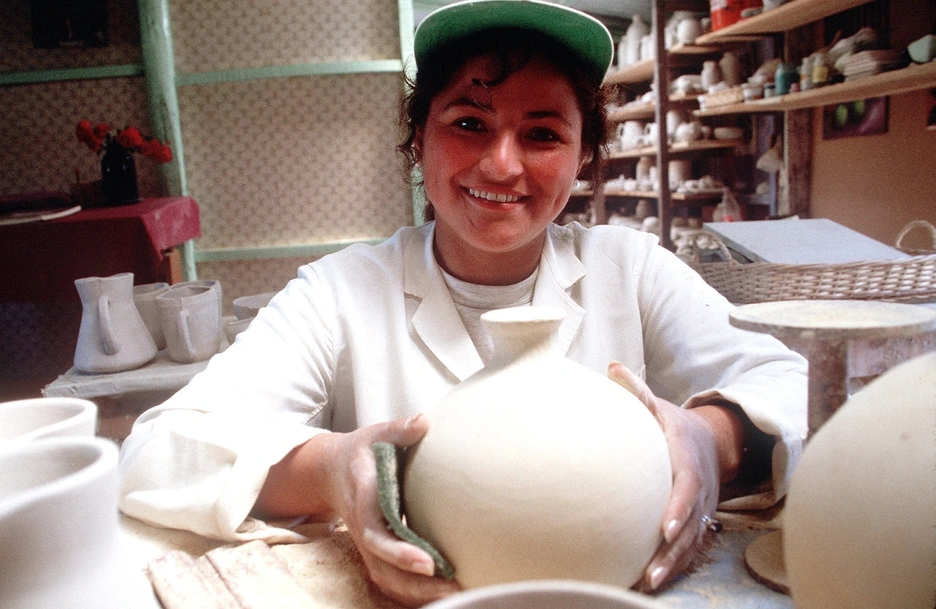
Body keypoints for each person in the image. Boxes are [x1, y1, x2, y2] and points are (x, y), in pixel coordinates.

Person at [118, 1, 808, 606]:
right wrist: (332, 471)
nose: (502, 164)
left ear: (584, 157)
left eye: (542, 133)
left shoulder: (630, 270)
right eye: (469, 122)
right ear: (419, 139)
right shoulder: (342, 291)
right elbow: (156, 449)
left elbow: (804, 389)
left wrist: (708, 439)